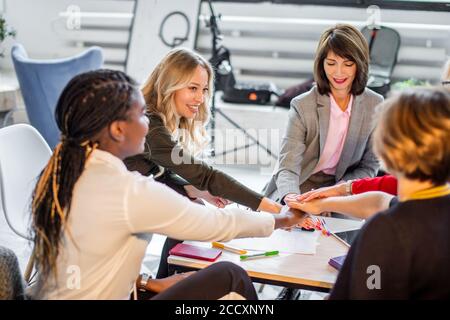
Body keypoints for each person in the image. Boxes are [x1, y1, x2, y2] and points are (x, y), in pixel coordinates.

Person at [29, 69, 307, 300]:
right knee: (231, 276)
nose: (148, 125)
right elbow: (218, 224)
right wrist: (281, 219)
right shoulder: (127, 191)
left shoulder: (61, 170)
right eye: (141, 115)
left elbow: (90, 258)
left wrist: (149, 283)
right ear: (117, 130)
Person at [124, 48, 285, 279]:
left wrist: (191, 188)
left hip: (130, 196)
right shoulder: (150, 125)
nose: (200, 98)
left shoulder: (155, 117)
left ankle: (164, 284)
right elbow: (206, 175)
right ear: (170, 85)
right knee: (195, 215)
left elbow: (153, 168)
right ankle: (165, 286)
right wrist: (274, 209)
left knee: (194, 205)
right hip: (112, 209)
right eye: (192, 88)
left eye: (204, 90)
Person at [291, 87, 450, 299]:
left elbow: (367, 292)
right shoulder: (431, 208)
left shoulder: (386, 231)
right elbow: (381, 201)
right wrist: (323, 204)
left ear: (390, 150)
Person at [264, 24, 383, 206]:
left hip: (345, 187)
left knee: (346, 229)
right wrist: (291, 197)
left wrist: (338, 192)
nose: (338, 72)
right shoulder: (303, 105)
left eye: (348, 64)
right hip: (301, 183)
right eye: (331, 63)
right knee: (294, 227)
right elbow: (288, 166)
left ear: (360, 65)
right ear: (321, 64)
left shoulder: (374, 104)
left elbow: (369, 166)